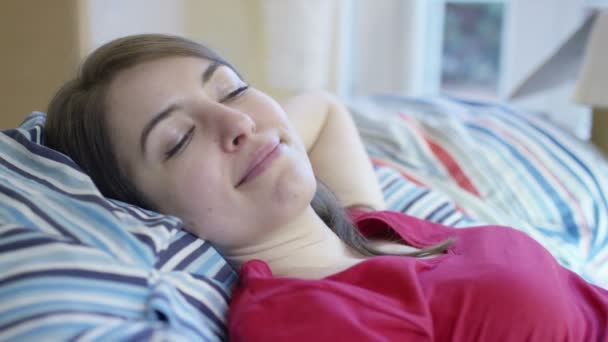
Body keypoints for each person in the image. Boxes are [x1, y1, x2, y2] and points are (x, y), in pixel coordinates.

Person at [45, 34, 607, 341]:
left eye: (232, 91)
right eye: (179, 139)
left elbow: (324, 109)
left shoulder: (365, 228)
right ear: (150, 214)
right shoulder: (302, 319)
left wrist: (268, 129)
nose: (237, 124)